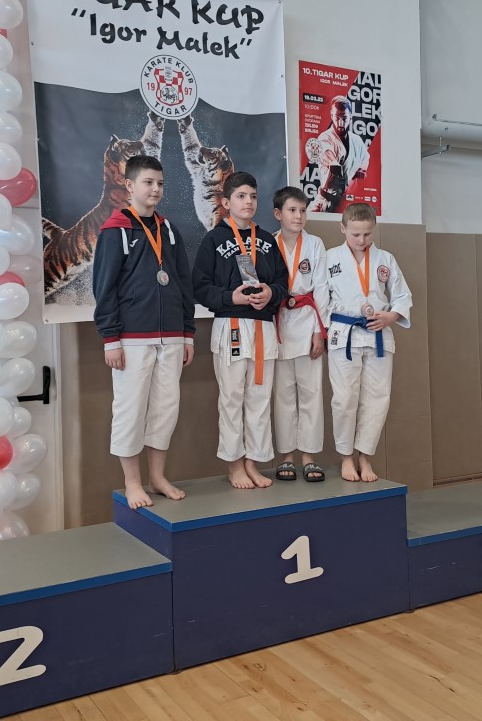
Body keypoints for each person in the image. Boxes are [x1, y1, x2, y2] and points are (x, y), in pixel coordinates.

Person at [93, 154, 195, 509]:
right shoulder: (115, 230)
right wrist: (110, 339)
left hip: (172, 336)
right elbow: (104, 288)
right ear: (129, 185)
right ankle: (132, 483)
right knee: (130, 409)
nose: (155, 189)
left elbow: (182, 283)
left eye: (160, 183)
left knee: (166, 409)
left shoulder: (169, 230)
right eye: (148, 182)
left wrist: (187, 332)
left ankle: (157, 477)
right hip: (132, 338)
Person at [192, 172, 289, 489]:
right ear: (226, 202)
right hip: (231, 325)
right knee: (232, 398)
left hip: (262, 327)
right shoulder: (214, 239)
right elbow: (199, 286)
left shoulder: (267, 241)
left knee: (259, 398)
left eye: (253, 196)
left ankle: (253, 462)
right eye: (241, 196)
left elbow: (283, 283)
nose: (248, 202)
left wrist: (270, 293)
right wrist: (228, 298)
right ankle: (234, 464)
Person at [325, 202, 412, 482]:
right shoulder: (330, 258)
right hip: (344, 334)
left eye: (367, 234)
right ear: (343, 228)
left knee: (377, 398)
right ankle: (346, 457)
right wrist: (323, 331)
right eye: (355, 234)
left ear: (373, 229)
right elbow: (320, 299)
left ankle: (365, 457)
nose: (361, 240)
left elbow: (402, 296)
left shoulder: (385, 259)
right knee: (344, 399)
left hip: (378, 334)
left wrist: (391, 316)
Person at [270, 186, 330, 483]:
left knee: (311, 392)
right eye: (292, 210)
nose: (298, 216)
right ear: (278, 213)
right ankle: (287, 456)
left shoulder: (315, 244)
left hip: (308, 321)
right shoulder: (268, 243)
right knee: (282, 394)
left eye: (303, 211)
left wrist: (321, 331)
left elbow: (322, 289)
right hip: (279, 323)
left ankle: (309, 456)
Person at [310, 96, 370, 214]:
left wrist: (362, 169)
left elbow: (365, 158)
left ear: (350, 117)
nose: (341, 123)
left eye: (344, 118)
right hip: (325, 202)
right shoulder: (325, 138)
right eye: (337, 118)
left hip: (348, 204)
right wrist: (333, 164)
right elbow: (328, 156)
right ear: (331, 115)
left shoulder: (357, 141)